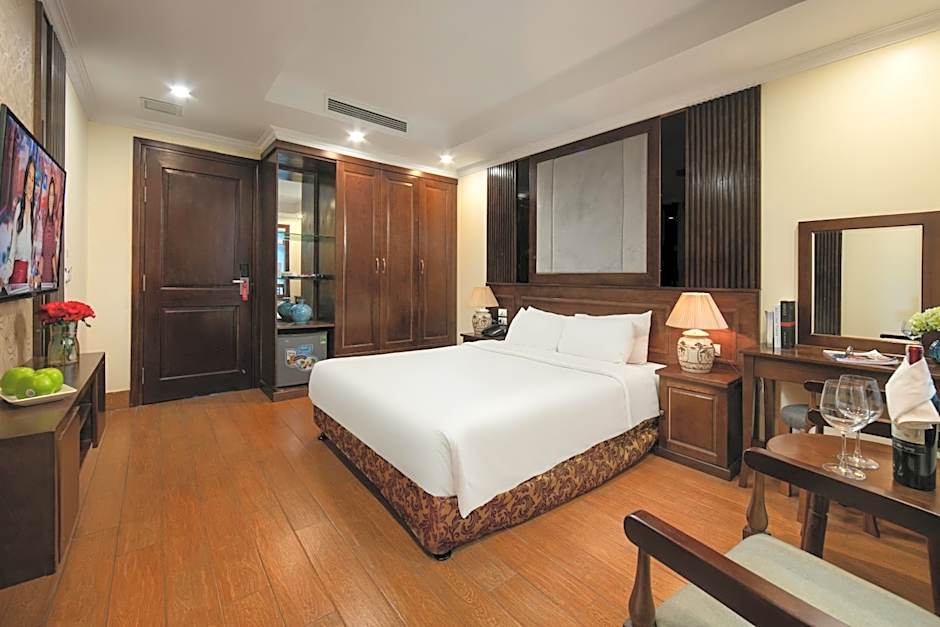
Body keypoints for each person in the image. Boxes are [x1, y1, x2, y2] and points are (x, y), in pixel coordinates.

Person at [0, 155, 36, 290]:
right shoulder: (19, 208)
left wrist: (31, 275)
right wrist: (5, 277)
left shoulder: (34, 213)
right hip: (16, 274)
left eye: (33, 179)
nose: (31, 183)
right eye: (29, 177)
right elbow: (13, 245)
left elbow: (32, 251)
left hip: (28, 279)